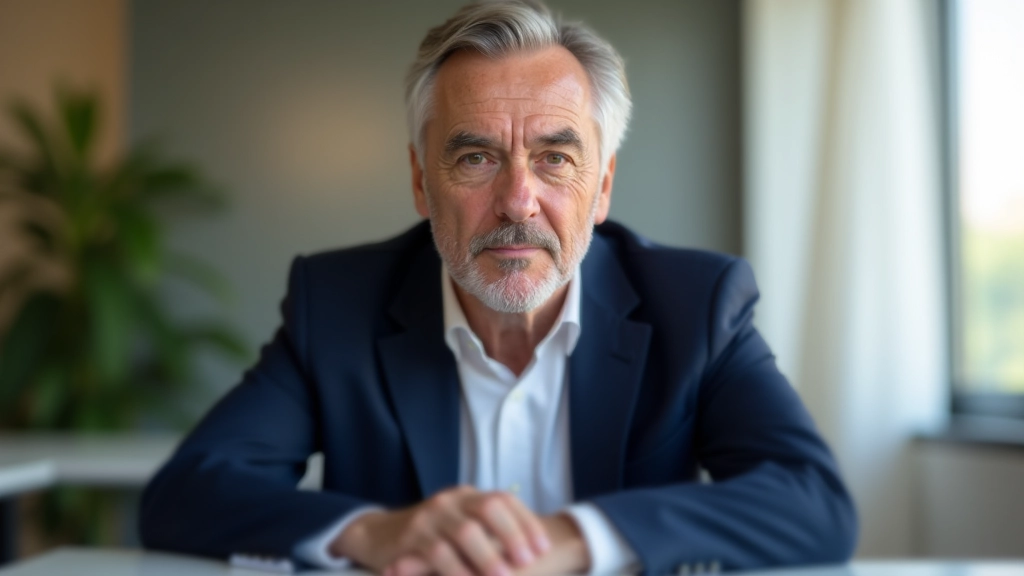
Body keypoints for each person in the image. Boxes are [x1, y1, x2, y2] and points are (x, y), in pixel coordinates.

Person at [139, 1, 858, 574]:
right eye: (477, 157)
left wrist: (578, 538)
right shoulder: (336, 306)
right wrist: (376, 532)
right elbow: (186, 494)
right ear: (421, 181)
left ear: (602, 186)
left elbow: (814, 503)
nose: (519, 201)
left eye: (555, 159)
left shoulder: (696, 305)